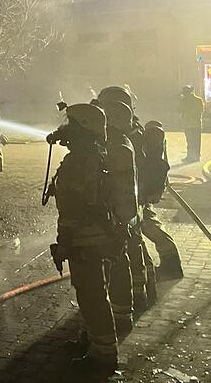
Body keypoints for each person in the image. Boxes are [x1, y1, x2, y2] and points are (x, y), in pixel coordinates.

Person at [45, 103, 133, 371]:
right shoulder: (94, 155)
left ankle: (103, 356)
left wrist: (64, 244)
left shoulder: (79, 162)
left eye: (71, 124)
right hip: (98, 239)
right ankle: (94, 342)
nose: (65, 130)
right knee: (95, 292)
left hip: (86, 242)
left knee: (91, 295)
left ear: (83, 128)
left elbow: (73, 211)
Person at [98, 86, 152, 314]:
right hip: (133, 198)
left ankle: (129, 302)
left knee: (125, 249)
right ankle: (140, 292)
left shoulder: (123, 136)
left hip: (124, 201)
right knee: (135, 244)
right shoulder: (134, 128)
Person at [139, 120, 183, 280]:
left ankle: (170, 266)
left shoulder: (146, 136)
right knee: (147, 224)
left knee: (147, 225)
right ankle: (170, 265)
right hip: (142, 189)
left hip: (140, 190)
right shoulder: (151, 138)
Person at [178, 85, 204, 162]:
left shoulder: (184, 101)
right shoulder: (198, 100)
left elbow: (179, 110)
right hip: (196, 124)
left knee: (190, 141)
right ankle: (196, 156)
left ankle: (190, 156)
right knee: (196, 140)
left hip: (188, 124)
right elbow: (201, 111)